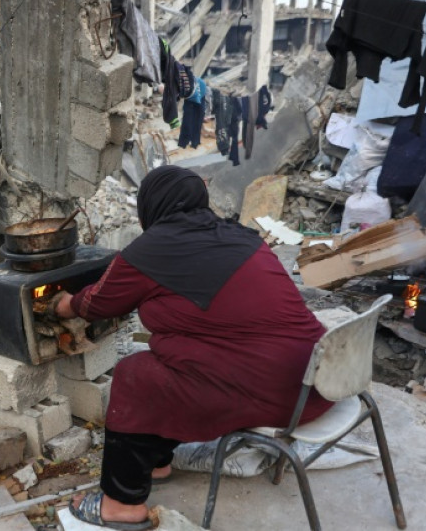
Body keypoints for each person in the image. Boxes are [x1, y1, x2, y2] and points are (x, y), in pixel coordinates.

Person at [55, 166, 333, 530]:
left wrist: (61, 304)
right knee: (177, 359)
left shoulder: (152, 250)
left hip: (277, 393)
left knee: (136, 375)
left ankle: (120, 506)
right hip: (319, 380)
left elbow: (97, 305)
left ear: (150, 206)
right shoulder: (241, 235)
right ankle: (157, 463)